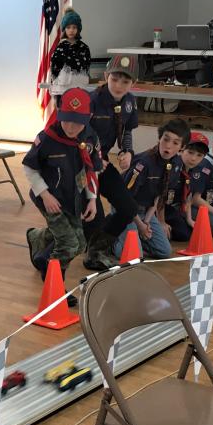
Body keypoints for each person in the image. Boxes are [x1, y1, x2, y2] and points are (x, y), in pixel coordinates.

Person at [23, 89, 99, 293]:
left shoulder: (90, 137)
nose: (71, 127)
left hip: (73, 197)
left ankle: (38, 238)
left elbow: (91, 170)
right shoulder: (47, 138)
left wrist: (92, 199)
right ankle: (54, 285)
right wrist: (45, 195)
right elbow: (29, 167)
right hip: (49, 197)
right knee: (67, 243)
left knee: (80, 244)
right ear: (59, 113)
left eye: (77, 122)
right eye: (67, 120)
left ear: (88, 118)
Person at [83, 54, 140, 270]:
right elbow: (79, 136)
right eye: (115, 79)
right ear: (106, 76)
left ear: (133, 83)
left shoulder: (130, 101)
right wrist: (95, 157)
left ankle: (96, 248)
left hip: (104, 162)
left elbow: (126, 131)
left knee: (128, 207)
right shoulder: (91, 100)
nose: (119, 85)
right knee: (93, 215)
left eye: (125, 81)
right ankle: (91, 252)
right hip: (83, 163)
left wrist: (127, 151)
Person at [115, 119, 192, 259]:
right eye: (166, 139)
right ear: (159, 138)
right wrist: (140, 226)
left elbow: (159, 195)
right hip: (124, 209)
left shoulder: (176, 164)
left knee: (165, 252)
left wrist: (147, 221)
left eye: (175, 143)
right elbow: (125, 199)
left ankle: (131, 236)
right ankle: (110, 236)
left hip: (144, 211)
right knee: (132, 256)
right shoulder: (144, 163)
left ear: (182, 147)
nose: (168, 146)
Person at [162, 132, 210, 242]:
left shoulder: (195, 171)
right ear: (182, 149)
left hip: (174, 208)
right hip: (159, 207)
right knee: (182, 234)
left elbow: (189, 195)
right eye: (190, 152)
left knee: (189, 233)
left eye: (199, 155)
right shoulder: (172, 167)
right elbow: (158, 196)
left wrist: (189, 219)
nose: (193, 158)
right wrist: (161, 222)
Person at [50, 8, 91, 91]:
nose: (71, 30)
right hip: (62, 90)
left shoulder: (84, 48)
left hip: (81, 88)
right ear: (64, 29)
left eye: (74, 27)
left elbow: (87, 69)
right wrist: (54, 97)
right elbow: (54, 72)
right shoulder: (60, 48)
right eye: (68, 27)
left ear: (78, 29)